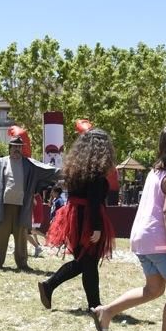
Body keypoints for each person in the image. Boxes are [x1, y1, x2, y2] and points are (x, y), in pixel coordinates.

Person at [90, 126, 166, 331]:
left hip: (141, 238)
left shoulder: (154, 172)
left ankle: (106, 312)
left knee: (154, 289)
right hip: (160, 240)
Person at [38, 129, 116, 311]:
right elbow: (95, 203)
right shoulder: (96, 174)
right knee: (88, 261)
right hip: (87, 218)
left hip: (75, 216)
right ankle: (94, 305)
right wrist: (96, 228)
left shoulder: (76, 169)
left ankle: (52, 287)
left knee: (85, 261)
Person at [0, 137, 61, 271]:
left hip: (22, 207)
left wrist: (65, 172)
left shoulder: (29, 164)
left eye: (19, 147)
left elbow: (47, 170)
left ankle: (22, 263)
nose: (17, 149)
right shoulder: (0, 163)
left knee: (21, 236)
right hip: (4, 206)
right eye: (14, 147)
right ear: (10, 148)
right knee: (1, 235)